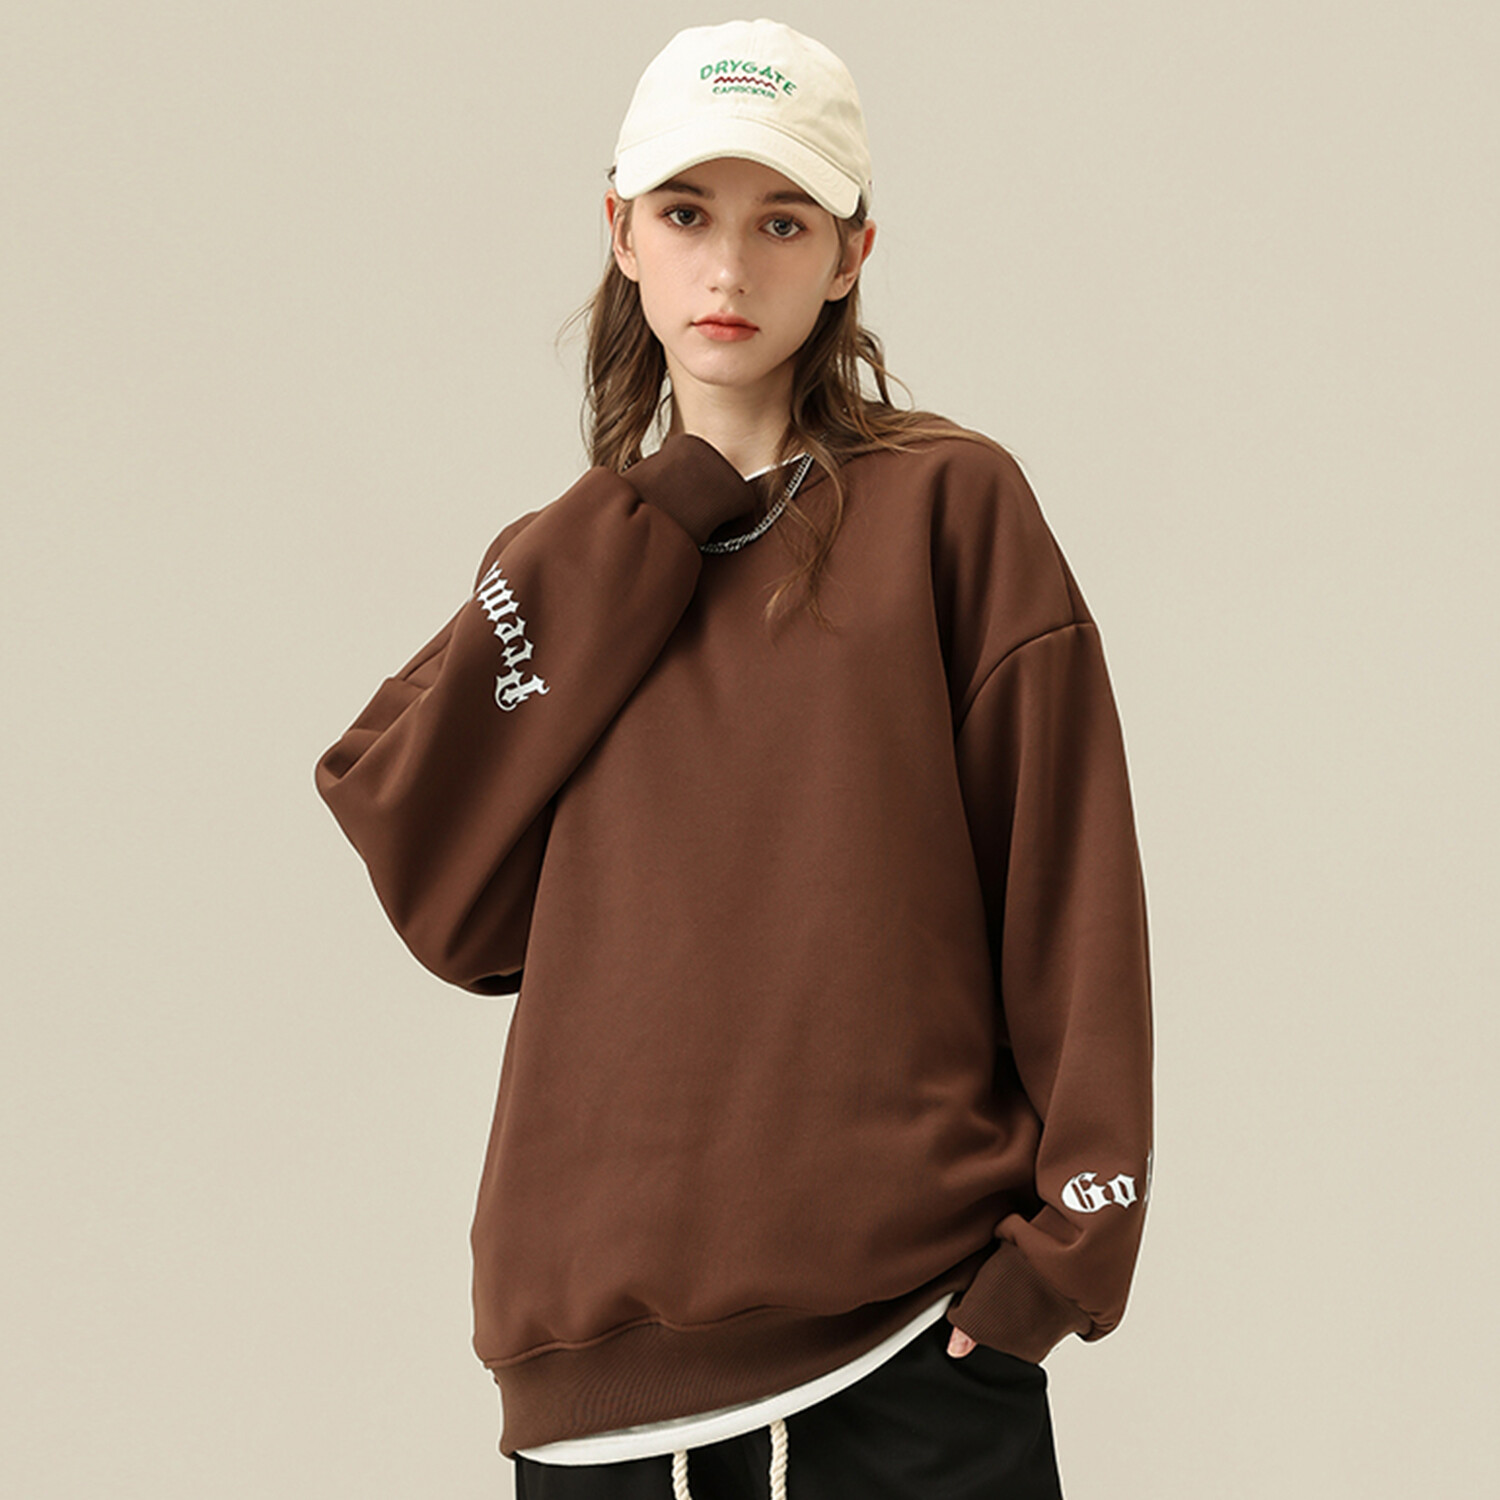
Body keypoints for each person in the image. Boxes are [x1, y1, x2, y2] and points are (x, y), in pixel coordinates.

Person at [315, 17, 1153, 1500]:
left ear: (849, 255)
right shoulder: (572, 561)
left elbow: (1068, 887)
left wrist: (1065, 1257)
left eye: (783, 222)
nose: (729, 269)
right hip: (592, 1408)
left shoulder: (951, 509)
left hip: (901, 1366)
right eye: (688, 213)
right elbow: (439, 877)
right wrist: (652, 511)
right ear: (621, 233)